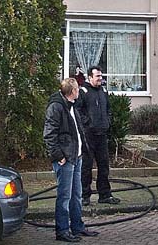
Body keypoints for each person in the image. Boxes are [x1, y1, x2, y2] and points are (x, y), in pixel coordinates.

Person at [44, 78, 100, 242]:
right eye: (77, 89)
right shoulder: (56, 107)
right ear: (72, 91)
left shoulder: (72, 106)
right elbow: (49, 135)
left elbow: (77, 129)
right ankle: (62, 230)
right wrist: (58, 156)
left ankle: (77, 226)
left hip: (76, 156)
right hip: (66, 159)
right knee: (64, 196)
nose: (79, 91)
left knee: (77, 194)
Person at [76, 67, 120, 206]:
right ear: (90, 77)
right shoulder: (83, 92)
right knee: (86, 166)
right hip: (89, 135)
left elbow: (108, 109)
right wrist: (87, 124)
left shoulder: (103, 91)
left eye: (101, 76)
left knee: (104, 165)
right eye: (97, 76)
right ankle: (84, 195)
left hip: (102, 134)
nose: (100, 79)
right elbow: (78, 111)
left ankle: (105, 195)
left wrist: (107, 121)